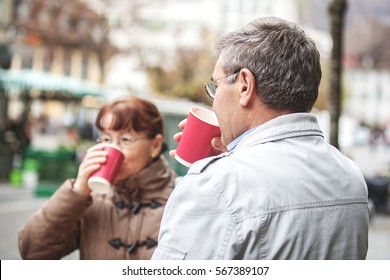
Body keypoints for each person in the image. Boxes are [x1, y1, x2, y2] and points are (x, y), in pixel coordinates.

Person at [152, 17, 369, 260]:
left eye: (216, 86)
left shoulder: (217, 185)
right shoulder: (351, 175)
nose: (214, 99)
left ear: (245, 86)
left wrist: (212, 175)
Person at [18, 96, 176, 259]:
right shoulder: (88, 200)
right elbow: (32, 252)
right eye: (107, 139)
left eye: (125, 139)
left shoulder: (180, 198)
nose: (113, 148)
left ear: (155, 145)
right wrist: (76, 192)